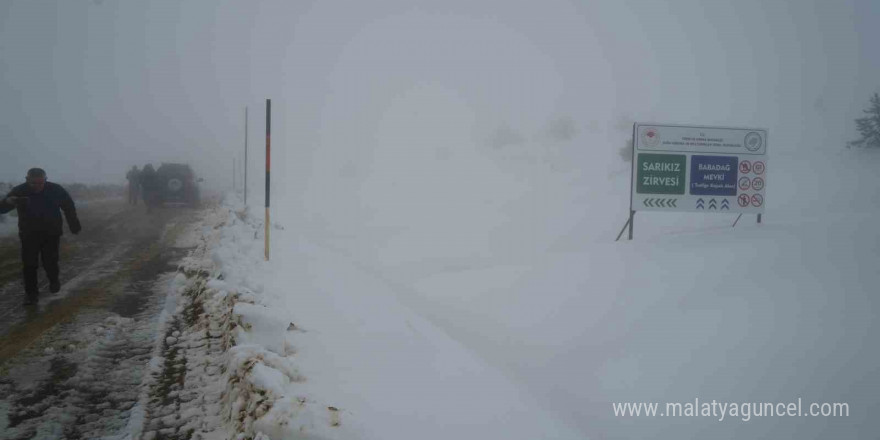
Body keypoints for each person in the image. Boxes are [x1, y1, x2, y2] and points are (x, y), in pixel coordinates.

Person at [0, 168, 81, 305]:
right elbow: (2, 209)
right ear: (27, 180)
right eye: (33, 183)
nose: (37, 186)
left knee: (50, 261)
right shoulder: (19, 191)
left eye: (40, 183)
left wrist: (74, 224)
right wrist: (8, 202)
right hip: (28, 233)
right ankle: (31, 294)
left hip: (51, 232)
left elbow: (68, 206)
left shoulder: (55, 189)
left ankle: (54, 279)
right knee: (29, 264)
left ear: (45, 179)